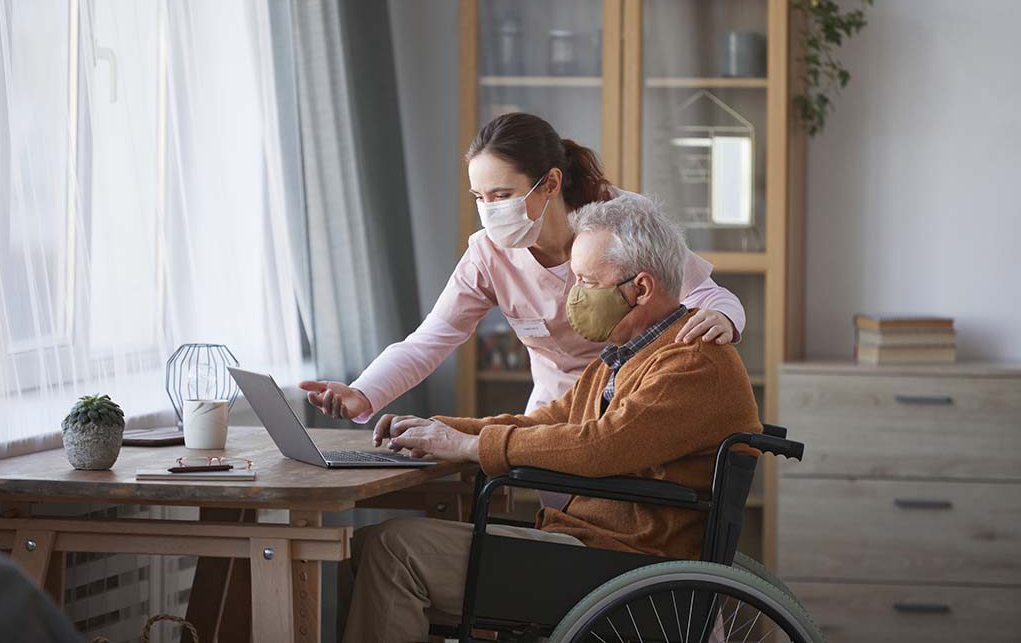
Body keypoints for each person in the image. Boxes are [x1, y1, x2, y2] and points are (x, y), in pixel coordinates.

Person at [339, 195, 762, 642]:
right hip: (589, 550)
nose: (573, 296)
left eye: (585, 281)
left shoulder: (692, 362)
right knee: (367, 547)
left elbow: (602, 445)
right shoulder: (621, 358)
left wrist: (469, 448)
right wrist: (441, 429)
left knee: (393, 549)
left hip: (624, 566)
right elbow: (549, 422)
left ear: (640, 288)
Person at [300, 113, 746, 423]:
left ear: (550, 183)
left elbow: (707, 294)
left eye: (501, 195)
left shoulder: (620, 219)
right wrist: (362, 393)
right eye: (480, 198)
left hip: (635, 397)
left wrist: (722, 318)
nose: (490, 210)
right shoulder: (488, 253)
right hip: (555, 405)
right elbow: (429, 341)